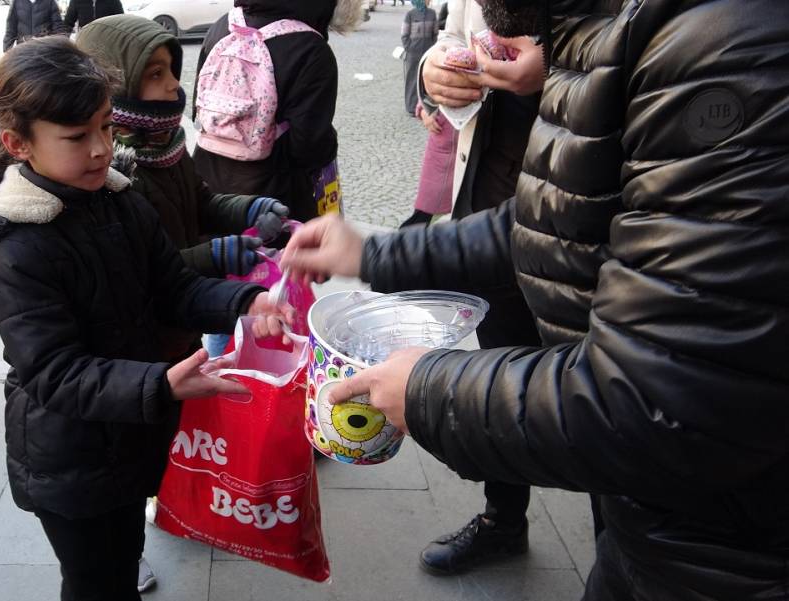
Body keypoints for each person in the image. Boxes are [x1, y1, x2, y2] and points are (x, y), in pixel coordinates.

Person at [281, 0, 789, 598]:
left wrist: (424, 389)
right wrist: (372, 255)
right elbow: (553, 215)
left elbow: (660, 402)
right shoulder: (597, 26)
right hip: (656, 518)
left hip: (733, 549)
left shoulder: (716, 44)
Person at [0, 37, 291, 601]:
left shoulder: (121, 200)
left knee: (121, 559)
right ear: (17, 144)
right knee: (95, 579)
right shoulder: (15, 250)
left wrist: (245, 303)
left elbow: (171, 286)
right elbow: (53, 372)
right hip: (69, 457)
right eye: (77, 137)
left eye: (105, 127)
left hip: (130, 435)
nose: (100, 149)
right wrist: (159, 383)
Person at [73, 13, 292, 587]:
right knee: (124, 455)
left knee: (160, 440)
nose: (174, 86)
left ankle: (159, 508)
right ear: (112, 83)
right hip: (127, 350)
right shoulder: (112, 173)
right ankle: (126, 546)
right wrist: (223, 255)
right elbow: (153, 273)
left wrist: (245, 211)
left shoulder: (164, 143)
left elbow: (198, 198)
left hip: (172, 335)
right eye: (155, 74)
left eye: (173, 70)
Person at [407, 0, 547, 575]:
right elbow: (451, 39)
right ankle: (503, 520)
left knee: (612, 389)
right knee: (501, 372)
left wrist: (557, 66)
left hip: (586, 213)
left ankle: (621, 545)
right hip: (488, 194)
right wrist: (432, 70)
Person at [192, 0, 364, 222]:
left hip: (207, 187)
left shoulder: (223, 25)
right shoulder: (311, 48)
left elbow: (199, 108)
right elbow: (309, 148)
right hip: (271, 204)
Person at [400, 0, 438, 116]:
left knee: (425, 80)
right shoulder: (410, 14)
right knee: (412, 80)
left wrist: (432, 47)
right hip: (413, 54)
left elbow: (435, 34)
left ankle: (424, 106)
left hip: (427, 53)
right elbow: (404, 35)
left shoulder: (432, 14)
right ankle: (411, 107)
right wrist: (409, 48)